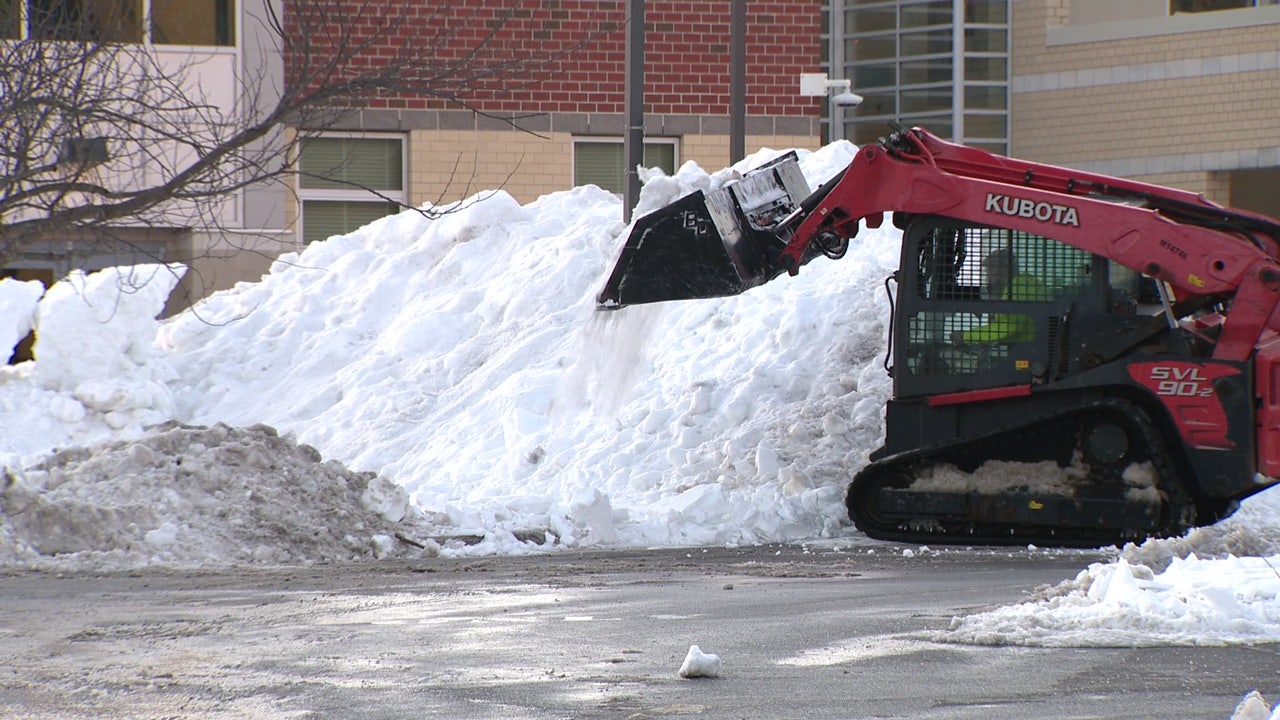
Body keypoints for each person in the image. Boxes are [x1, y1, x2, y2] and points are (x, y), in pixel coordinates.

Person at [951, 249, 1048, 344]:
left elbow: (1009, 327)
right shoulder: (1025, 283)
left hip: (1029, 350)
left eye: (989, 273)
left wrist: (965, 336)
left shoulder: (1017, 288)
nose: (987, 279)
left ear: (1000, 271)